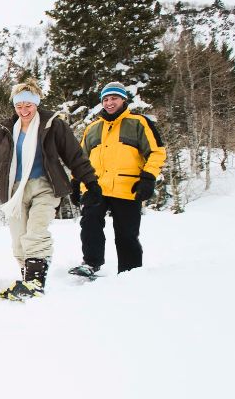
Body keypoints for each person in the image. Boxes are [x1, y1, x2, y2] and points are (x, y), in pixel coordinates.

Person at [0, 79, 100, 300]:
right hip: (15, 191)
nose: (24, 110)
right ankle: (28, 282)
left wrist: (90, 182)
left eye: (28, 105)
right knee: (19, 241)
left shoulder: (53, 125)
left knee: (35, 233)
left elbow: (75, 156)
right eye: (19, 106)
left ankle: (35, 284)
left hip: (45, 186)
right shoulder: (6, 131)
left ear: (37, 103)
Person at [69, 81, 166, 277]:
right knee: (89, 224)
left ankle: (130, 271)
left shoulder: (138, 123)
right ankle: (90, 263)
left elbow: (156, 152)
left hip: (127, 186)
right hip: (96, 187)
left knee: (126, 233)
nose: (109, 102)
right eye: (105, 99)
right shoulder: (93, 128)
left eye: (114, 98)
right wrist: (75, 183)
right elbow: (81, 159)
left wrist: (148, 178)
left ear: (123, 100)